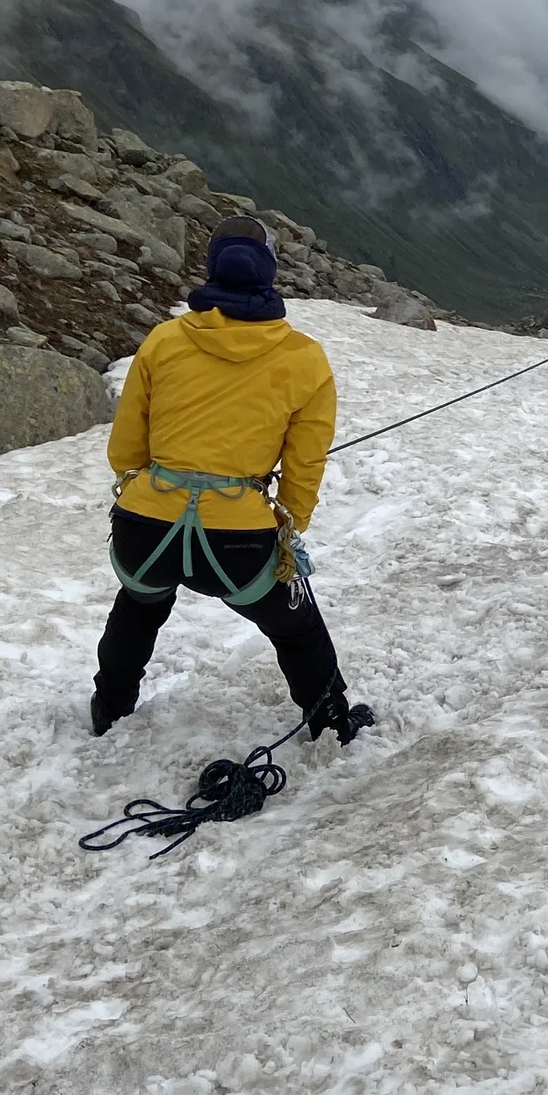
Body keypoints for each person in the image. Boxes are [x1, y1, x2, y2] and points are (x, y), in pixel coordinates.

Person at [91, 217, 370, 741]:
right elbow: (305, 463)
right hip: (239, 539)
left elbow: (125, 450)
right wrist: (290, 528)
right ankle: (331, 721)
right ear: (270, 270)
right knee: (297, 629)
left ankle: (109, 709)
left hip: (146, 525)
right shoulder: (303, 357)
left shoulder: (165, 339)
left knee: (139, 605)